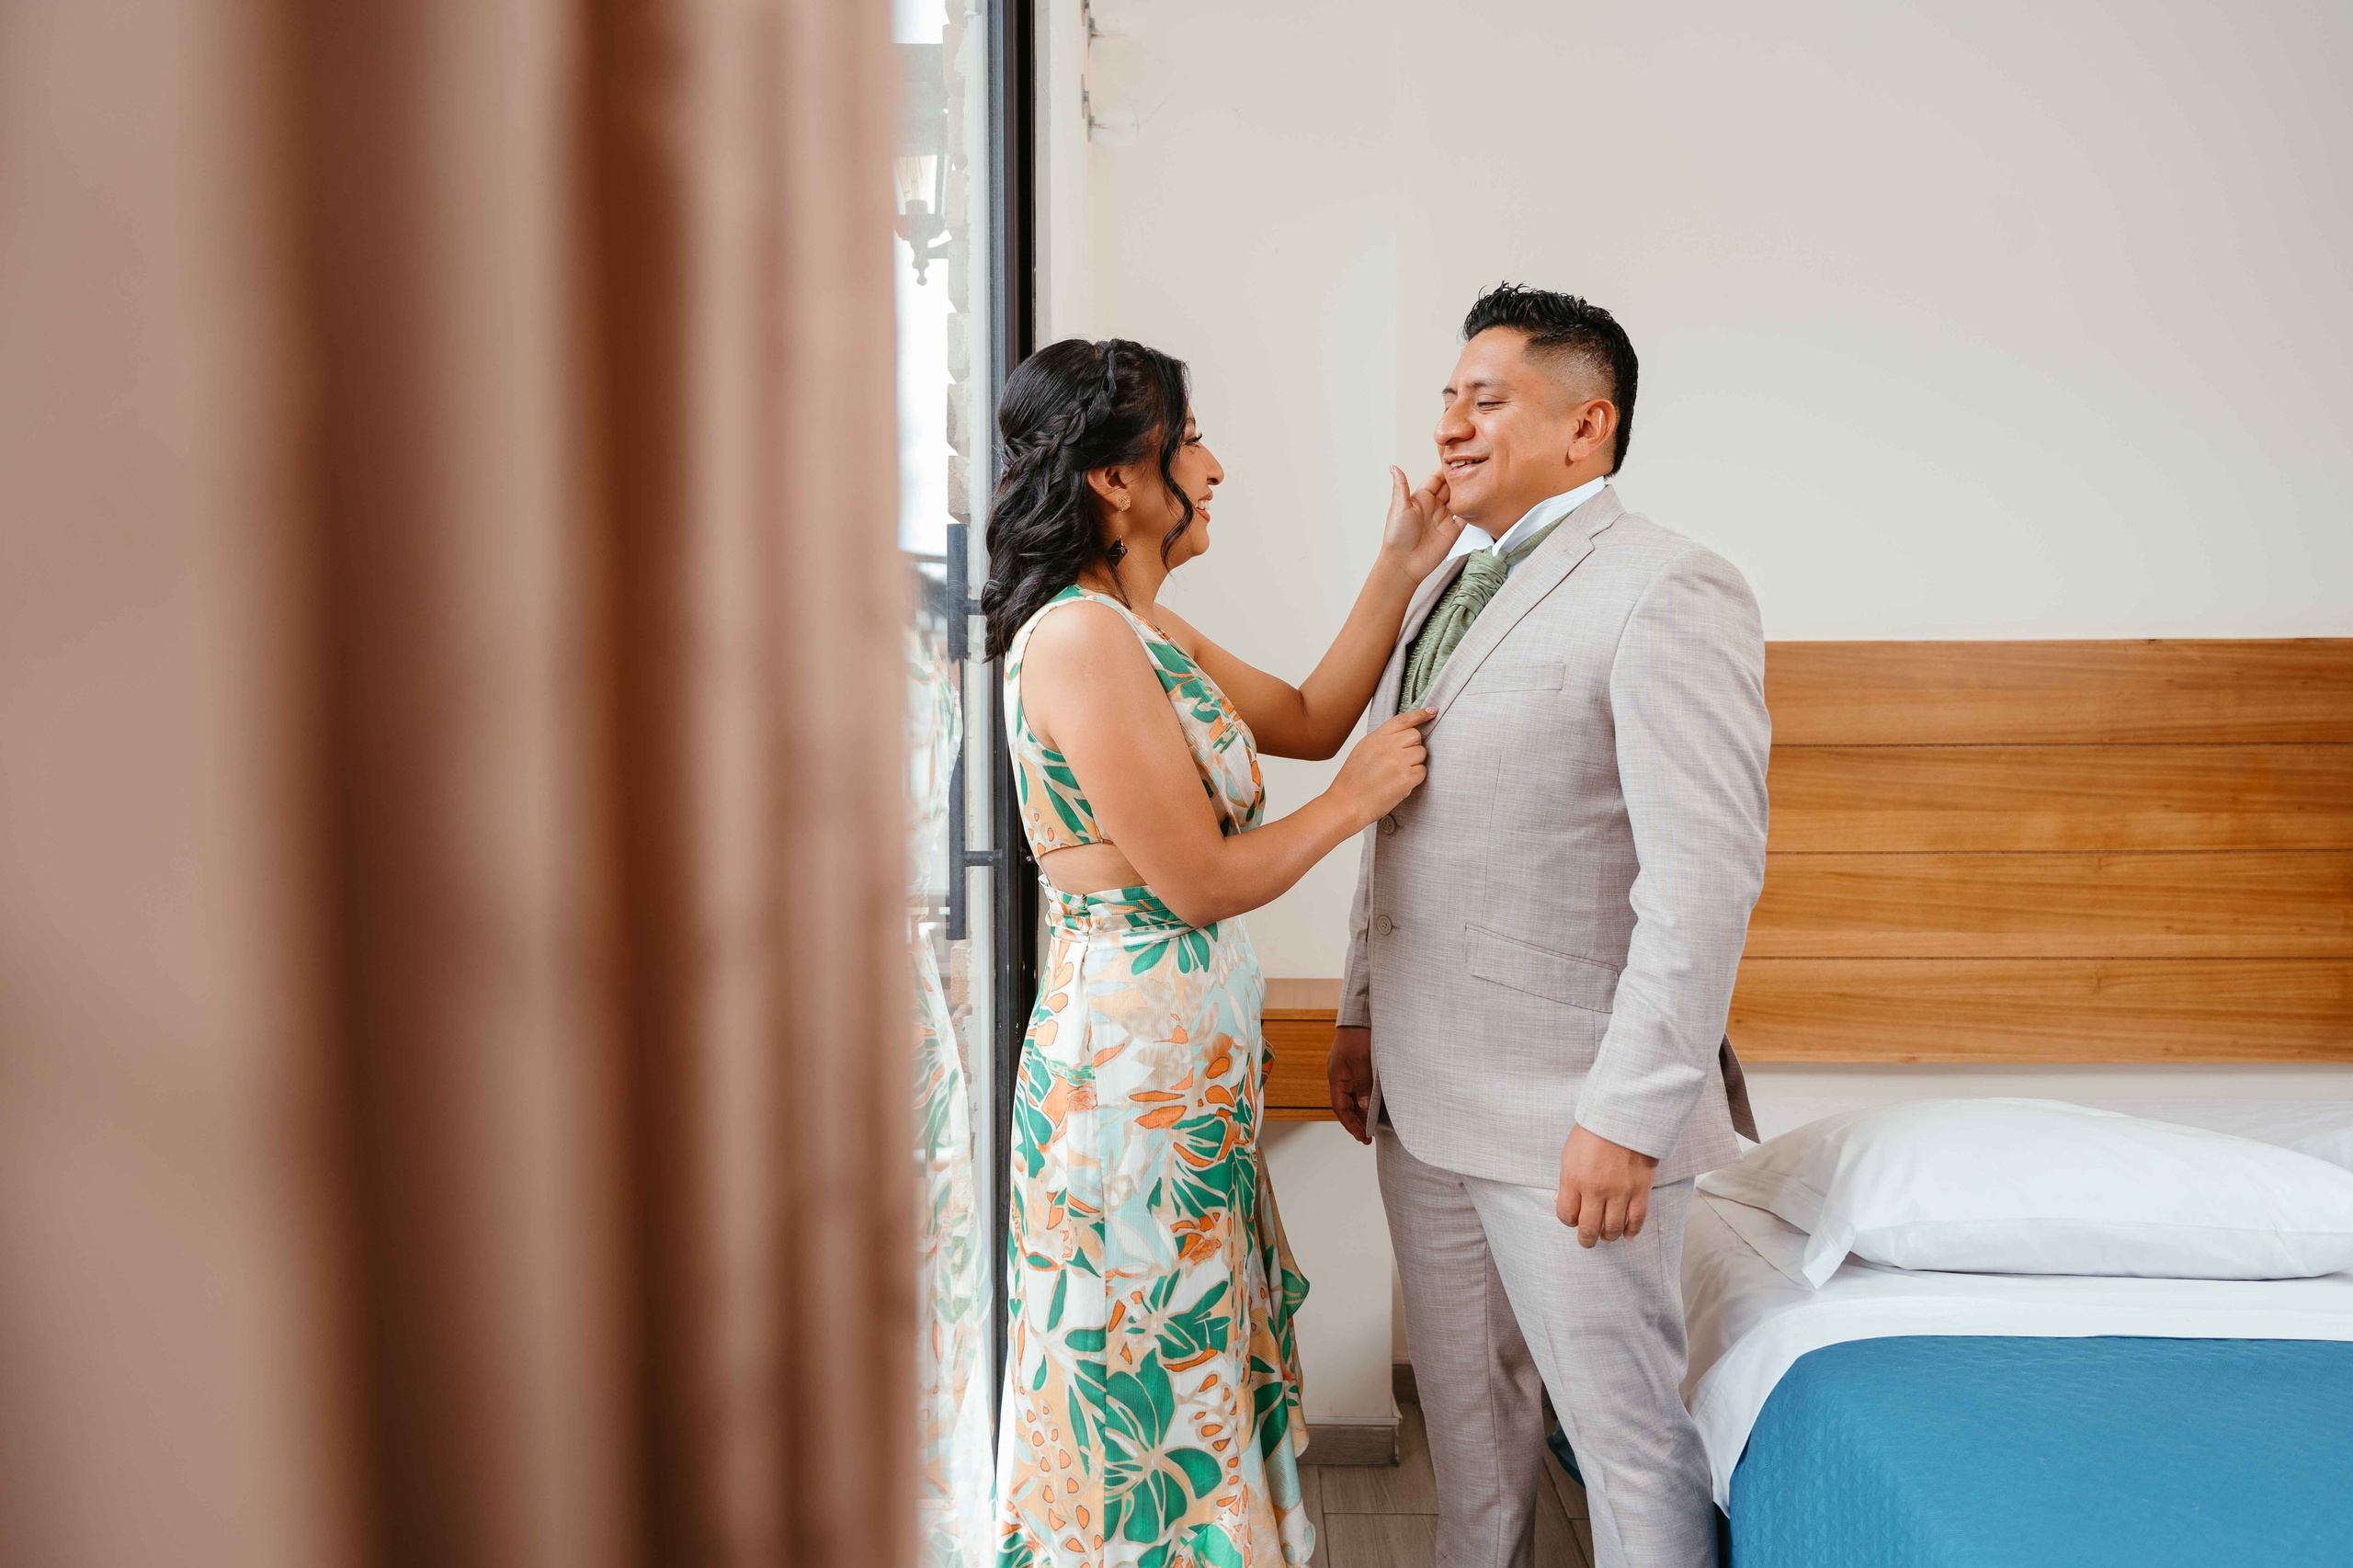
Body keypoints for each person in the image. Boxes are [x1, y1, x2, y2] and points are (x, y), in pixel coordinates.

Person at [985, 337, 1461, 1568]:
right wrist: (1354, 806)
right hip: (1128, 1080)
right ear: (1115, 479)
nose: (1213, 467)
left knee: (1184, 1356)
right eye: (1188, 439)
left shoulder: (1140, 629)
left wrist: (1401, 562)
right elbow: (1197, 879)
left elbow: (1307, 717)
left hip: (1179, 1068)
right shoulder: (1078, 639)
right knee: (1143, 1367)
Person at [1327, 285, 1769, 1568]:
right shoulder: (1439, 587)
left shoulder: (1670, 586)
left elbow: (1700, 880)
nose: (1450, 426)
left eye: (1487, 400)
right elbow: (1399, 816)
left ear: (1588, 426)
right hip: (1422, 1099)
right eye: (1446, 399)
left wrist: (1628, 1115)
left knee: (1628, 1448)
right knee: (1470, 1441)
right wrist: (1359, 1010)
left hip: (1571, 1111)